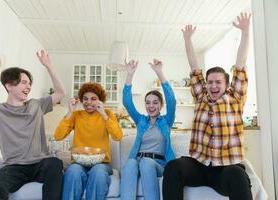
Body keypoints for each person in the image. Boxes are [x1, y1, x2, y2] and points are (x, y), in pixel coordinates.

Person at [162, 13, 252, 200]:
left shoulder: (235, 98)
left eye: (218, 82)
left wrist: (245, 32)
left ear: (226, 84)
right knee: (173, 167)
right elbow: (194, 65)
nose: (213, 86)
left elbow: (241, 65)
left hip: (225, 168)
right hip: (199, 165)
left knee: (238, 175)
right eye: (210, 82)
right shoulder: (201, 97)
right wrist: (187, 39)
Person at [0, 27, 66, 200]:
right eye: (23, 83)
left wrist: (49, 67)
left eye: (29, 83)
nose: (28, 87)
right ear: (9, 85)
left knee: (55, 163)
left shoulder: (36, 105)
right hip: (14, 168)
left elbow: (61, 93)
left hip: (41, 163)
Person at [54, 82, 123, 200]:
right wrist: (69, 113)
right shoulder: (76, 115)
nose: (88, 102)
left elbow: (118, 136)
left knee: (98, 173)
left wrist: (103, 115)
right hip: (78, 163)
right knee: (73, 172)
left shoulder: (107, 114)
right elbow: (58, 136)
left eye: (93, 99)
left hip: (102, 164)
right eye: (85, 99)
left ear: (100, 100)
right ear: (81, 100)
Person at [121, 59, 176, 200]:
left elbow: (172, 101)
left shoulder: (166, 121)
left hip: (158, 164)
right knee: (129, 164)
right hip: (138, 160)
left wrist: (159, 72)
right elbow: (127, 103)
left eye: (155, 103)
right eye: (148, 103)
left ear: (160, 105)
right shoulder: (141, 121)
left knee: (146, 162)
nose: (151, 106)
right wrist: (129, 75)